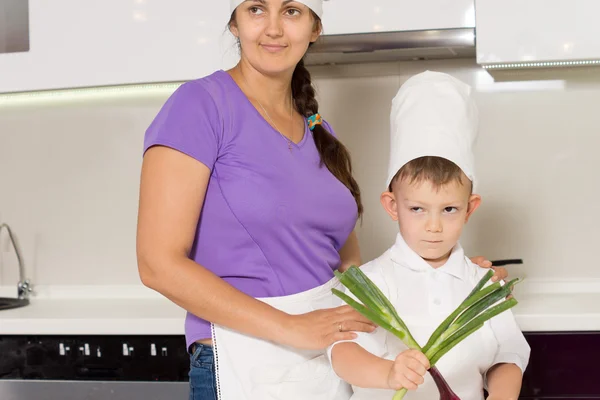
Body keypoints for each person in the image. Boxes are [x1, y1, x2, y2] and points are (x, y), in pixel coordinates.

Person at [135, 0, 508, 397]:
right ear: (235, 24)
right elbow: (157, 264)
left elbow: (347, 268)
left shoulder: (316, 128)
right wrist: (292, 326)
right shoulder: (200, 106)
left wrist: (447, 274)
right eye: (257, 9)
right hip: (244, 359)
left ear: (315, 27)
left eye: (292, 11)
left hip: (329, 362)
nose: (274, 29)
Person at [328, 71, 530, 400]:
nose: (433, 227)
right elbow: (342, 354)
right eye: (417, 209)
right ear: (392, 205)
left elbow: (507, 357)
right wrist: (388, 373)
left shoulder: (483, 286)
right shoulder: (370, 282)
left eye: (449, 209)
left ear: (470, 207)